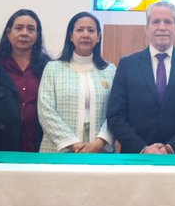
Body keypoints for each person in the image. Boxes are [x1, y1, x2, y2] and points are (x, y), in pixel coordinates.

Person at [107, 0, 175, 154]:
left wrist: (171, 148)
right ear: (146, 29)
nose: (162, 27)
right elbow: (115, 115)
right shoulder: (127, 64)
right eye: (156, 22)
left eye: (168, 22)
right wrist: (142, 149)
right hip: (136, 156)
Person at [38, 12, 117, 152]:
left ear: (98, 37)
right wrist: (73, 143)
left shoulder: (110, 70)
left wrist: (99, 142)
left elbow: (116, 111)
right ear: (71, 36)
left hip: (100, 152)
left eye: (91, 30)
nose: (85, 35)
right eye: (80, 30)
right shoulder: (53, 69)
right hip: (58, 152)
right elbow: (46, 111)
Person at [0, 9, 50, 151]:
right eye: (18, 28)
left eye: (31, 29)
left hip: (37, 145)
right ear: (8, 33)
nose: (24, 33)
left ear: (37, 35)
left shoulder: (48, 67)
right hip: (0, 145)